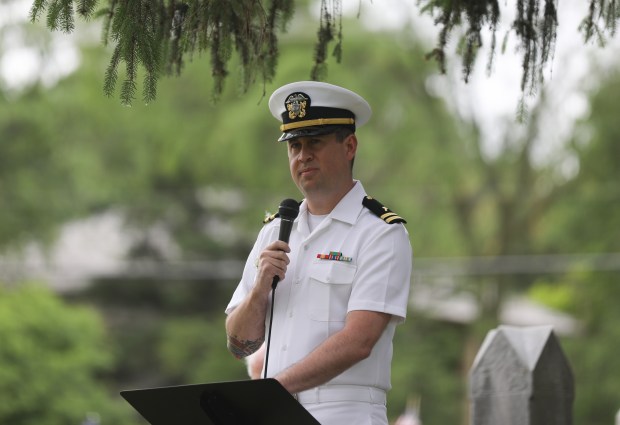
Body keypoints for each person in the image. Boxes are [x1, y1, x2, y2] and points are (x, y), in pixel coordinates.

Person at [225, 81, 412, 425]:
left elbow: (360, 341)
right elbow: (240, 345)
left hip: (345, 412)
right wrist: (260, 288)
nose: (302, 155)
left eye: (315, 142)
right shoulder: (273, 230)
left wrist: (270, 392)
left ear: (350, 146)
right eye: (294, 145)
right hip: (274, 411)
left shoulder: (381, 233)